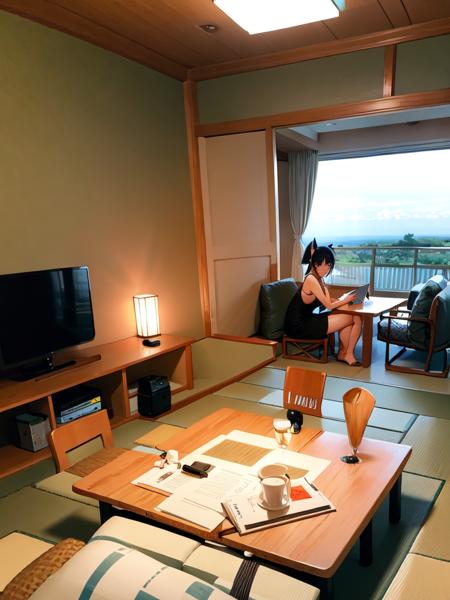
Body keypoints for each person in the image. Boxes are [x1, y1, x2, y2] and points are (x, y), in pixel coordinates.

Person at [284, 239, 363, 366]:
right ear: (316, 263)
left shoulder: (318, 278)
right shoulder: (311, 279)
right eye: (325, 264)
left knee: (352, 315)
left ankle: (344, 353)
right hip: (299, 326)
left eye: (330, 265)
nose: (328, 268)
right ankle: (347, 353)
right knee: (355, 317)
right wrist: (345, 300)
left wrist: (342, 300)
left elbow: (326, 300)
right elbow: (328, 305)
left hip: (309, 319)